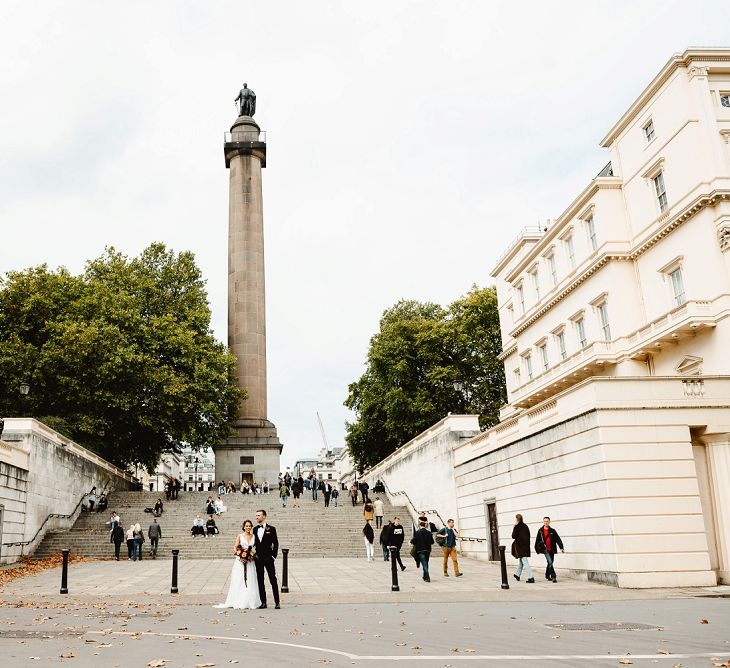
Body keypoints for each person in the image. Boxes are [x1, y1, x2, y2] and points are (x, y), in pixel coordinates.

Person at [215, 520, 262, 610]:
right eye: (246, 526)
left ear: (251, 527)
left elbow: (255, 548)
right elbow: (235, 547)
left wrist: (252, 555)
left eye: (249, 526)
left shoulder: (254, 536)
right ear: (244, 527)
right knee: (239, 580)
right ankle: (239, 600)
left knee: (250, 580)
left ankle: (250, 601)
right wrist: (239, 555)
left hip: (250, 562)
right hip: (240, 562)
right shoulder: (240, 536)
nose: (248, 527)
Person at [254, 509, 280, 609]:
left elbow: (276, 543)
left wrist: (274, 556)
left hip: (269, 558)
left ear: (264, 516)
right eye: (256, 515)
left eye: (258, 515)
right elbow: (255, 543)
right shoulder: (255, 529)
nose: (257, 517)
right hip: (258, 559)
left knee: (273, 579)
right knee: (260, 580)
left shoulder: (271, 529)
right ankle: (263, 602)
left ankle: (277, 602)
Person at [534, 516, 565, 582]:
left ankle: (547, 575)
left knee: (550, 563)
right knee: (550, 562)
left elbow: (558, 539)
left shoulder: (553, 531)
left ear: (549, 522)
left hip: (552, 549)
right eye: (545, 521)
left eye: (547, 521)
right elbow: (537, 540)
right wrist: (537, 549)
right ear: (543, 522)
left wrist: (561, 547)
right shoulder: (540, 531)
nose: (546, 522)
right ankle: (553, 576)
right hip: (545, 550)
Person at [512, 514, 534, 583]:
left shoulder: (517, 526)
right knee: (521, 562)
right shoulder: (525, 526)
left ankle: (531, 577)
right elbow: (529, 536)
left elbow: (513, 536)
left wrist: (514, 527)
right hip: (526, 546)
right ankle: (517, 574)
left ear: (517, 519)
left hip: (520, 547)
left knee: (525, 562)